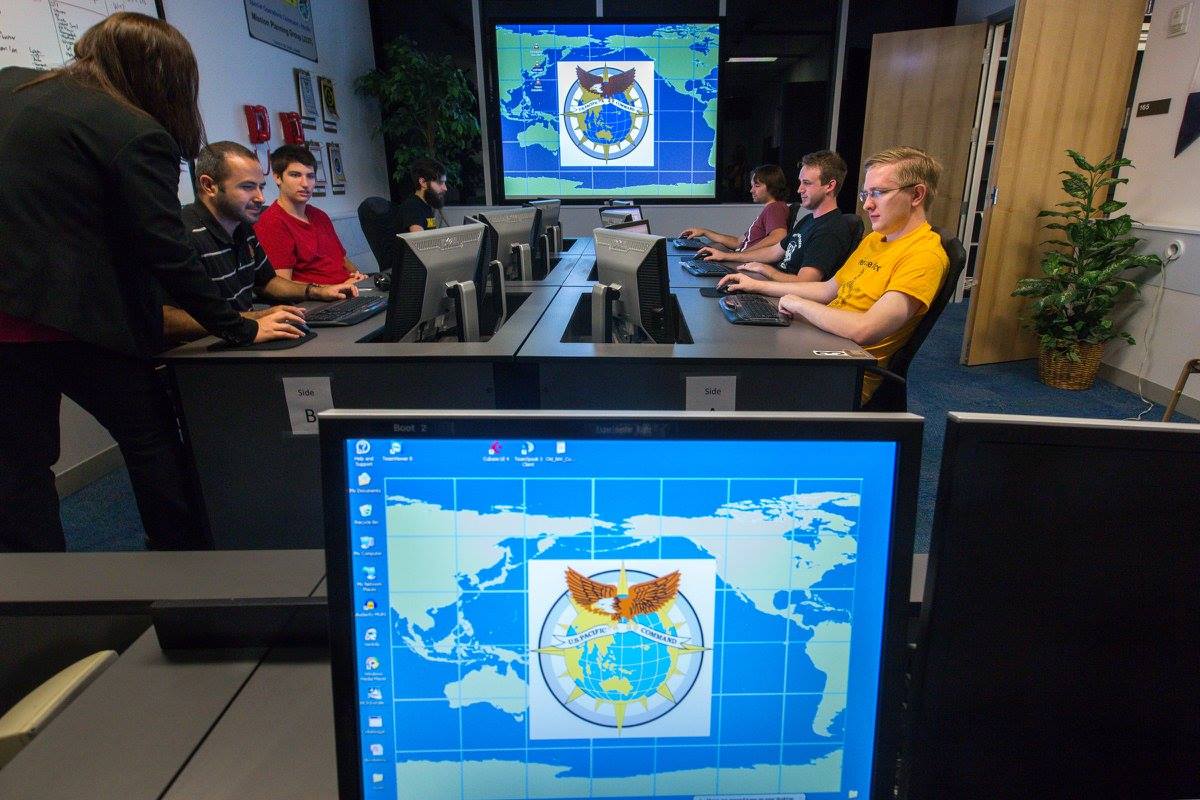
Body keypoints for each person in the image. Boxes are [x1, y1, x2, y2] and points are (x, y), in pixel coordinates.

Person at [0, 13, 302, 553]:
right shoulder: (134, 130)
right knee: (153, 445)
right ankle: (184, 569)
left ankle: (41, 601)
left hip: (7, 323)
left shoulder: (12, 85)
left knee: (19, 467)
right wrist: (238, 328)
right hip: (81, 322)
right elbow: (168, 250)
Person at [720, 146, 950, 405]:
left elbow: (865, 329)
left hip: (843, 372)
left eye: (879, 192)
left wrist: (798, 303)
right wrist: (756, 286)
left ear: (916, 195)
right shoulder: (876, 239)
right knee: (734, 353)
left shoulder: (925, 255)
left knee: (732, 384)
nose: (867, 203)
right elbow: (829, 289)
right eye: (866, 193)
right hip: (821, 341)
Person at [162, 141, 360, 342]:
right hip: (201, 353)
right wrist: (255, 318)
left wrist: (317, 291)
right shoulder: (181, 234)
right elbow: (166, 320)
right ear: (209, 185)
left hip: (239, 336)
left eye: (261, 187)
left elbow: (266, 282)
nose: (260, 197)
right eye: (248, 187)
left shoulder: (242, 225)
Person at [697, 150, 854, 283]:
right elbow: (774, 251)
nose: (799, 189)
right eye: (800, 182)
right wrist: (726, 256)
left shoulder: (830, 230)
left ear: (830, 186)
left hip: (782, 296)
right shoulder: (808, 220)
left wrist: (767, 272)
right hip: (773, 282)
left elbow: (805, 283)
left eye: (806, 183)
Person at [255, 144, 367, 286]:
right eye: (295, 175)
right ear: (277, 177)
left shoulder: (320, 216)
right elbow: (283, 285)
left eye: (310, 176)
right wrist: (338, 288)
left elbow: (342, 260)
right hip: (320, 301)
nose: (305, 183)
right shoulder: (272, 222)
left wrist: (362, 280)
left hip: (349, 291)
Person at [680, 164, 789, 252]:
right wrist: (704, 232)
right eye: (752, 186)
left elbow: (779, 236)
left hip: (744, 261)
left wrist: (745, 253)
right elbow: (738, 242)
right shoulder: (771, 208)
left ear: (772, 186)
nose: (752, 190)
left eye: (757, 186)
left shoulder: (775, 208)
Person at [399, 157, 449, 232]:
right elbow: (420, 242)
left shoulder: (426, 204)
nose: (445, 188)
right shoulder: (412, 207)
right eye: (440, 183)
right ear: (423, 182)